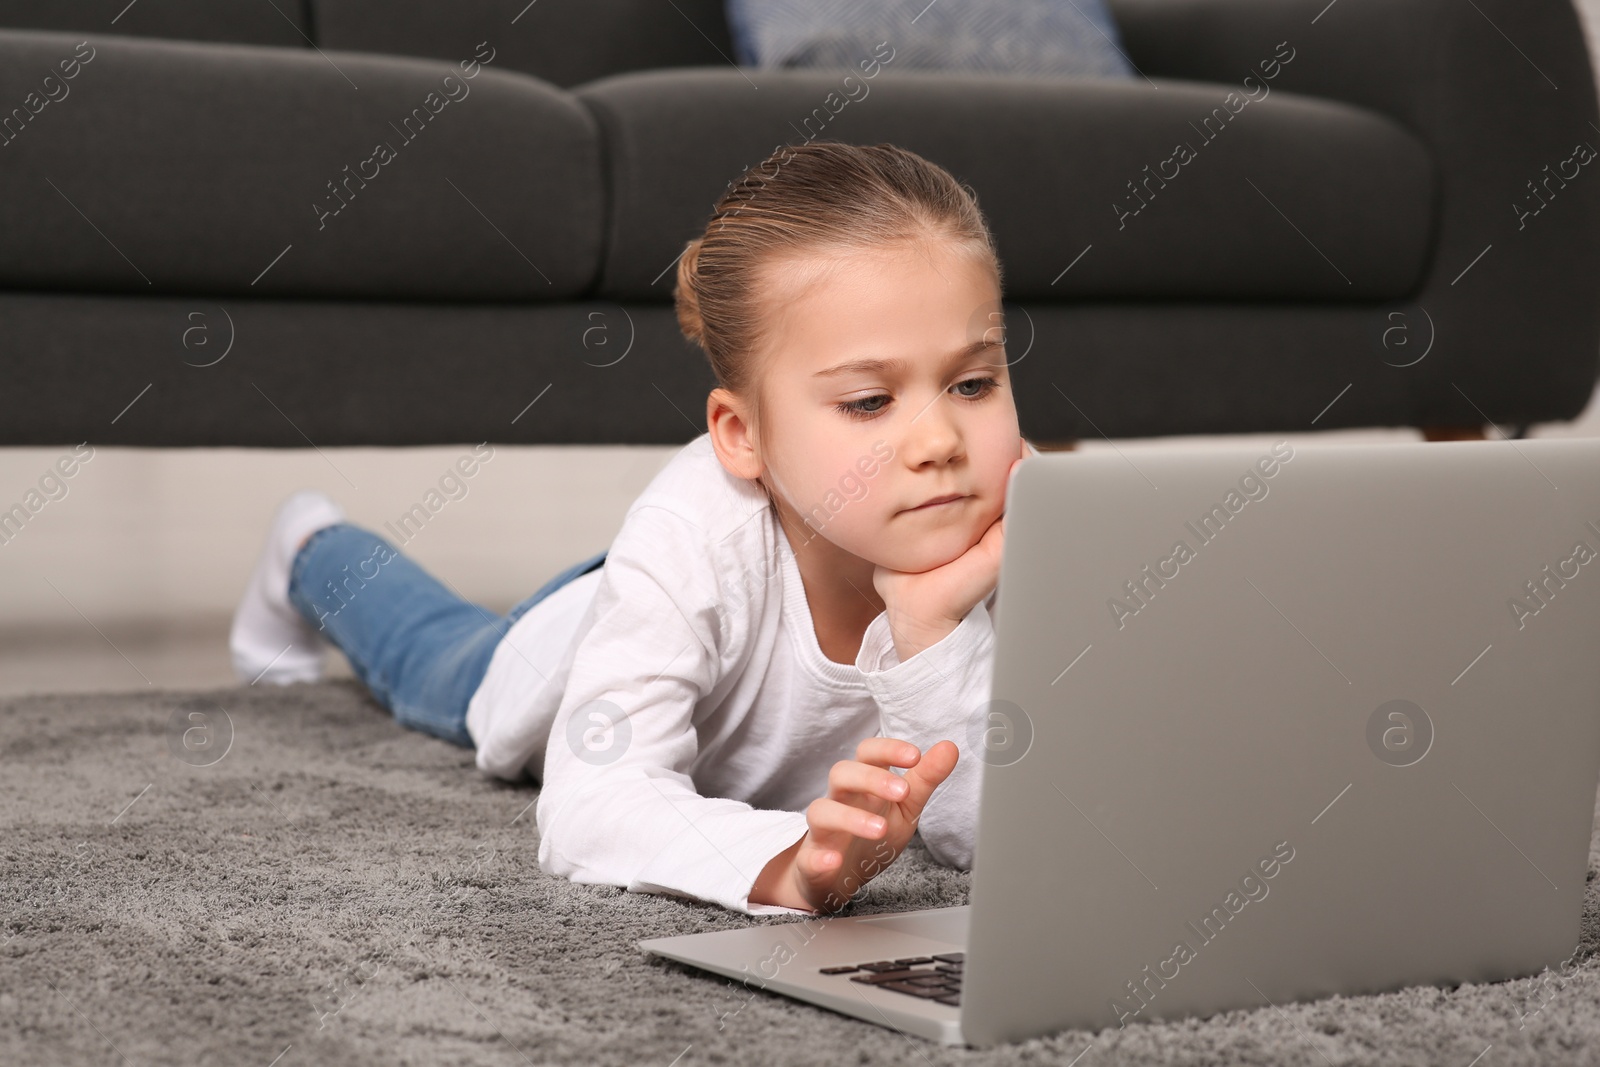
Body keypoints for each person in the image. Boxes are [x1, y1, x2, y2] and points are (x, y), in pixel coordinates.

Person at [229, 140, 1038, 916]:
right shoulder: (691, 531)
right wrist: (786, 862)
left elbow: (1009, 832)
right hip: (568, 639)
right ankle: (306, 546)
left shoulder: (1005, 516)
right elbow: (592, 806)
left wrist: (931, 629)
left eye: (972, 383)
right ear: (742, 434)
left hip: (683, 589)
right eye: (869, 402)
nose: (941, 444)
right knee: (427, 654)